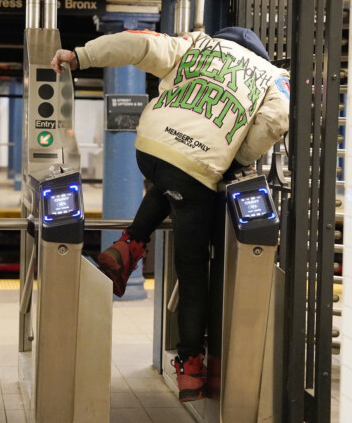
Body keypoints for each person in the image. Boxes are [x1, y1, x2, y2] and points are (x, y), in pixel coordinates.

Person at [51, 27, 290, 402]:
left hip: (150, 149)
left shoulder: (197, 44)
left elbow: (139, 43)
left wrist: (81, 55)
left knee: (169, 179)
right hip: (195, 167)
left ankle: (128, 246)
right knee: (193, 271)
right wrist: (235, 159)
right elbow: (275, 123)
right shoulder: (273, 76)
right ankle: (191, 369)